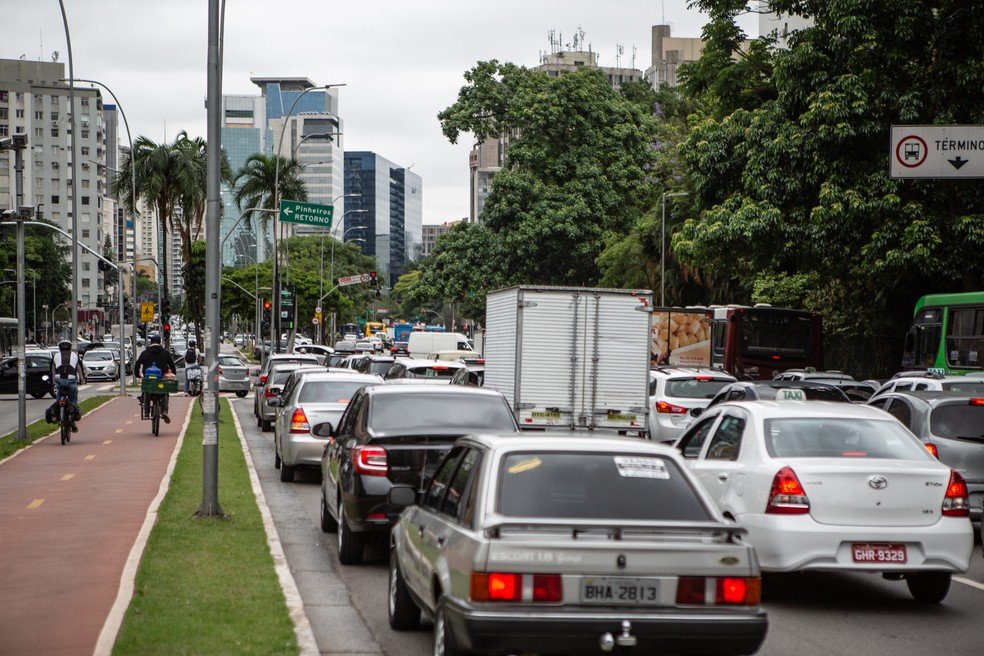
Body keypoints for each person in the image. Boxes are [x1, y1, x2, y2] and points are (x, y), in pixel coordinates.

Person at [135, 334, 178, 423]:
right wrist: (173, 373)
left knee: (146, 390)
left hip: (148, 379)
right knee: (165, 392)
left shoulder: (145, 353)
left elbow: (137, 365)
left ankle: (146, 412)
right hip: (161, 378)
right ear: (159, 342)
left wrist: (137, 375)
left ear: (151, 342)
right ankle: (164, 411)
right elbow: (172, 364)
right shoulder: (165, 352)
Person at [49, 340, 86, 432]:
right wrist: (82, 379)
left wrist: (54, 381)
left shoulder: (56, 356)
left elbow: (53, 369)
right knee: (73, 400)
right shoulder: (75, 356)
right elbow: (79, 369)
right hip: (71, 380)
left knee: (58, 398)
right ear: (70, 347)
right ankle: (72, 418)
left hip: (59, 381)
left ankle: (55, 412)